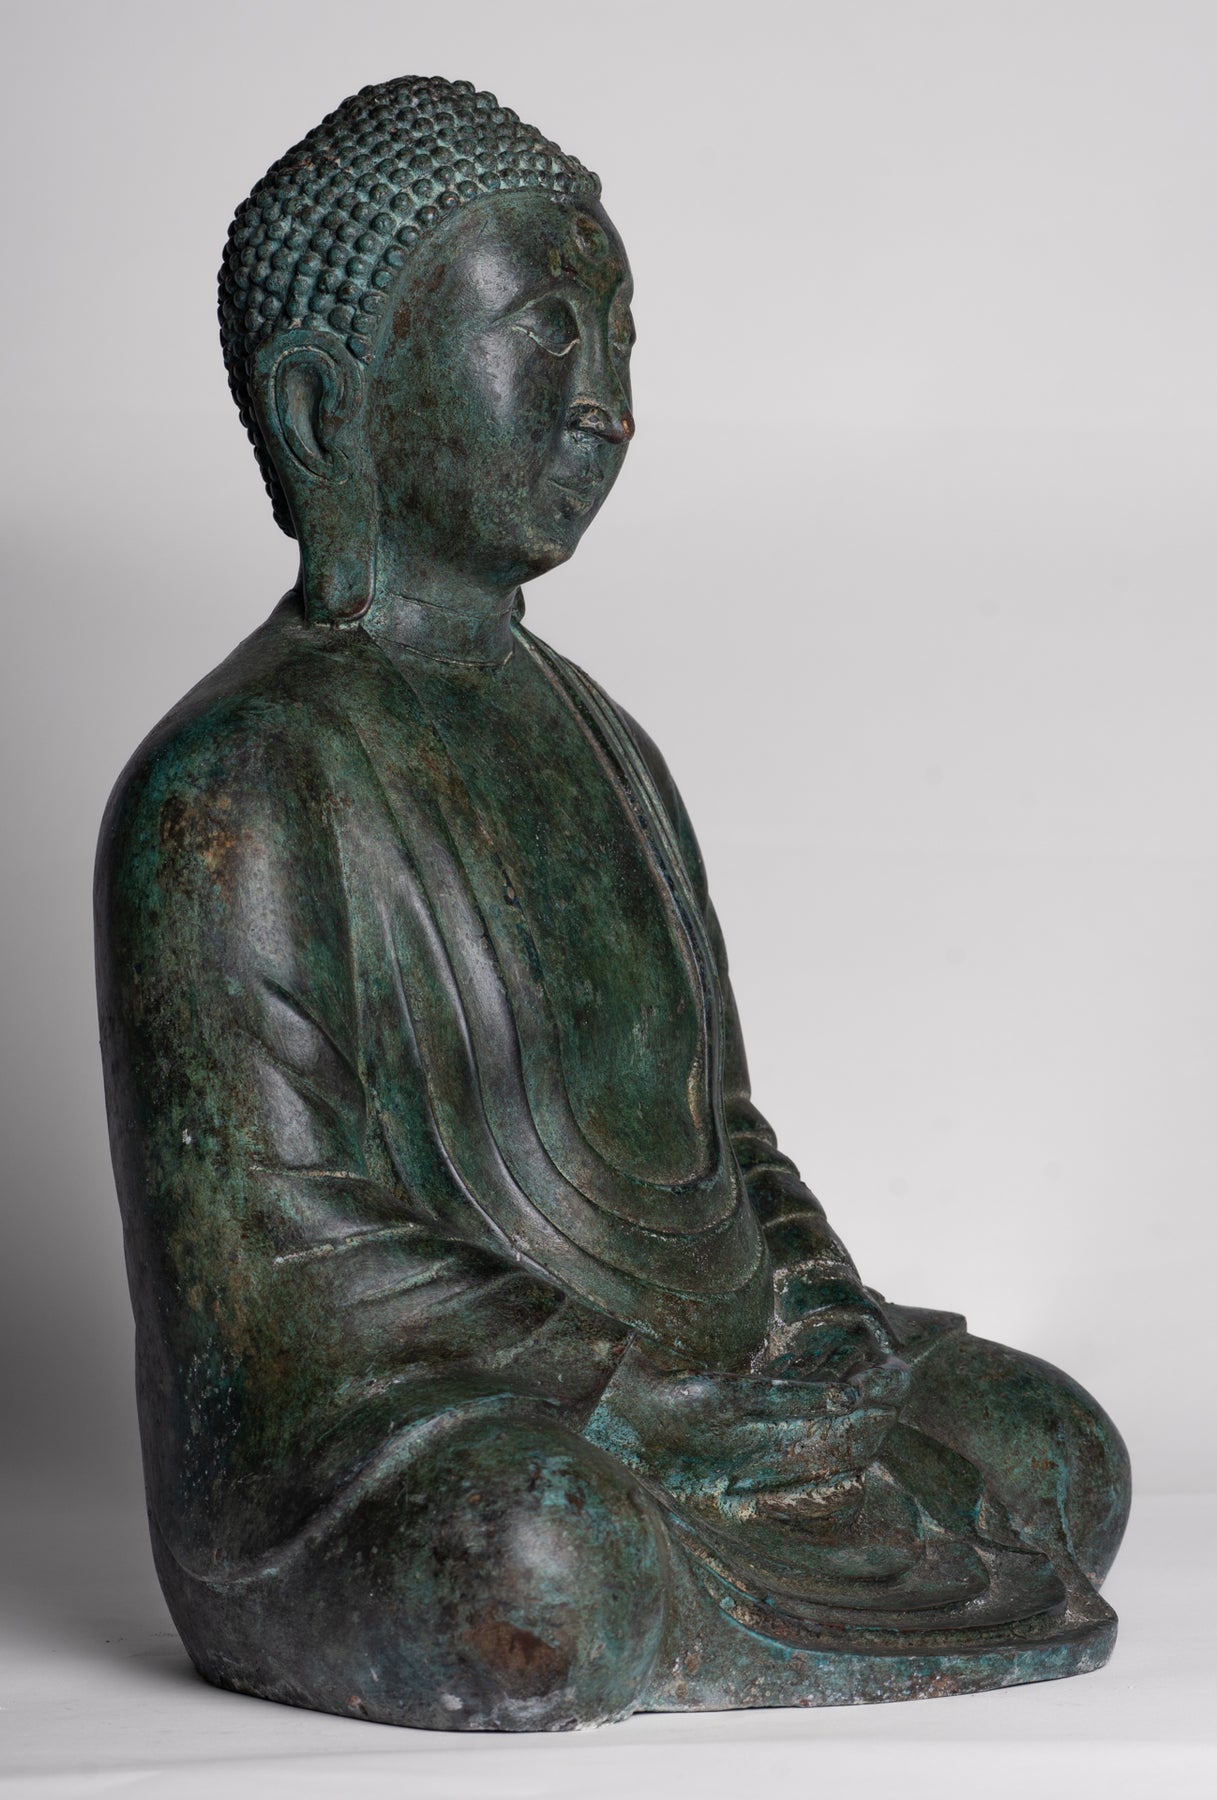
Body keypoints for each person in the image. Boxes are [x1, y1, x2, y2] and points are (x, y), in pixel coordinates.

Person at [95, 76, 1129, 1731]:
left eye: (624, 341)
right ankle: (646, 1552)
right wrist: (625, 1392)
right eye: (547, 335)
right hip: (414, 1435)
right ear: (320, 406)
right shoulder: (234, 786)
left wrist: (813, 1312)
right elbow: (281, 1259)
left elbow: (711, 1126)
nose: (607, 407)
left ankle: (716, 1529)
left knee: (1053, 1451)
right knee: (535, 1570)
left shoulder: (605, 744)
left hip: (702, 1382)